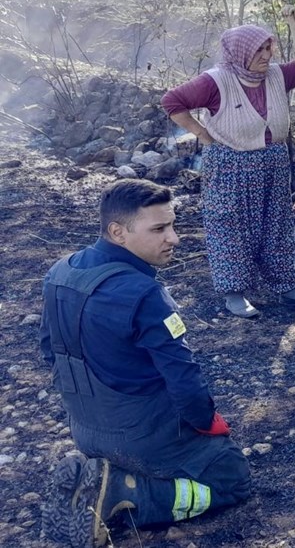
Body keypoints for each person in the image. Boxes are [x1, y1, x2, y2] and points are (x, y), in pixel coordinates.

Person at [39, 180, 250, 547]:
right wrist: (205, 422)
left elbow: (48, 351)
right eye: (159, 229)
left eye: (172, 225)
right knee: (232, 478)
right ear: (118, 232)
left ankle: (105, 475)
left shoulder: (60, 271)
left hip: (85, 429)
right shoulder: (146, 295)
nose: (174, 238)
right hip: (140, 435)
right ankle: (127, 495)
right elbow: (184, 378)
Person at [162, 8, 295, 318]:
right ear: (240, 53)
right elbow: (172, 101)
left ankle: (287, 287)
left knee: (277, 223)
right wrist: (202, 134)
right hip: (229, 162)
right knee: (230, 225)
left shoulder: (278, 74)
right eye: (258, 50)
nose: (266, 55)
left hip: (273, 161)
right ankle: (234, 293)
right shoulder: (216, 81)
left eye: (268, 48)